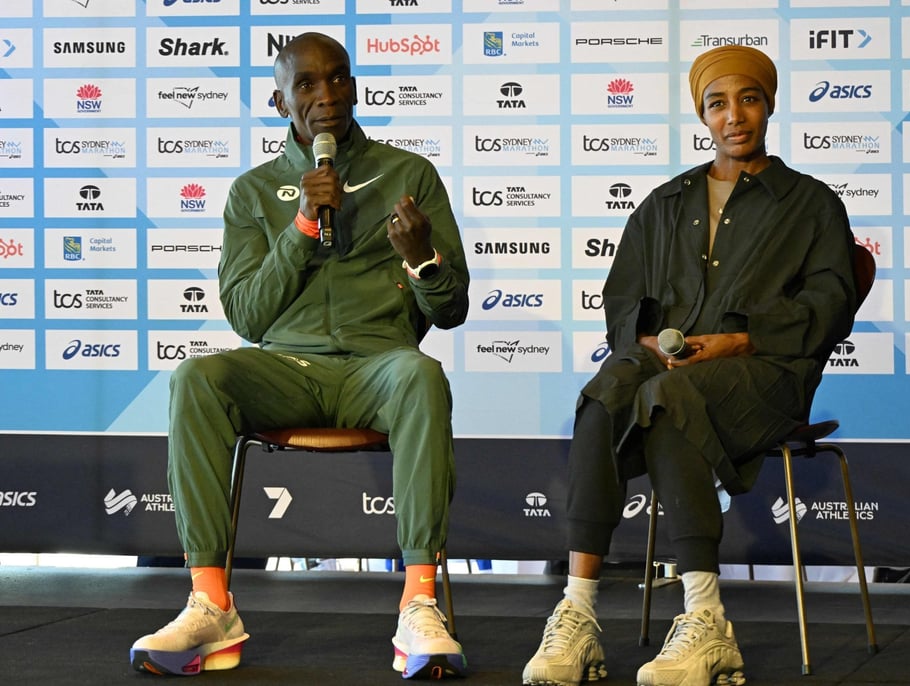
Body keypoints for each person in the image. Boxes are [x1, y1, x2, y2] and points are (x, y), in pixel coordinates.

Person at [130, 32, 469, 680]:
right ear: (278, 98)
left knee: (422, 376)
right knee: (197, 377)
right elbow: (250, 316)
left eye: (338, 79)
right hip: (287, 366)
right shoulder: (253, 193)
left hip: (379, 365)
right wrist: (303, 227)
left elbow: (450, 311)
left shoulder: (409, 175)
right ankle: (211, 604)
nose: (327, 96)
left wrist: (422, 258)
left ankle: (419, 602)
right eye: (307, 85)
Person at [522, 45, 857, 686]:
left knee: (670, 402)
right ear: (701, 115)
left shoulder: (811, 204)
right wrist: (644, 342)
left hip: (768, 376)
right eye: (718, 103)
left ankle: (706, 621)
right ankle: (577, 615)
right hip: (669, 371)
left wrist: (739, 341)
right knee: (604, 396)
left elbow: (830, 306)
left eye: (749, 99)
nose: (735, 116)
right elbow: (622, 299)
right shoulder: (665, 203)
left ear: (770, 105)